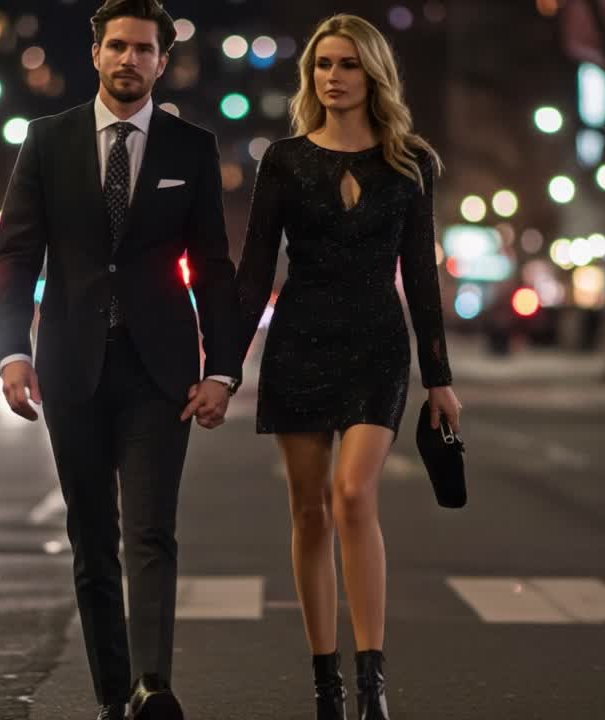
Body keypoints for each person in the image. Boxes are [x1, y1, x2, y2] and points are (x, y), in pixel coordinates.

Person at [0, 1, 242, 718]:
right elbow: (16, 255)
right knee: (92, 536)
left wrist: (222, 369)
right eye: (119, 46)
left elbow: (212, 265)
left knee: (152, 530)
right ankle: (113, 695)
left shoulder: (190, 147)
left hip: (160, 371)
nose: (130, 59)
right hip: (70, 367)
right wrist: (12, 352)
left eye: (145, 49)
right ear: (96, 53)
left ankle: (152, 685)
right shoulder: (47, 140)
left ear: (163, 61)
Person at [235, 14, 462, 720]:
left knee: (353, 494)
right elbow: (255, 272)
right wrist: (223, 367)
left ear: (374, 74)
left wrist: (440, 377)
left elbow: (420, 274)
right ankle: (326, 684)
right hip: (299, 342)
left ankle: (372, 682)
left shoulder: (410, 163)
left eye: (348, 64)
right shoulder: (283, 160)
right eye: (323, 65)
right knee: (309, 512)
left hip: (376, 346)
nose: (333, 77)